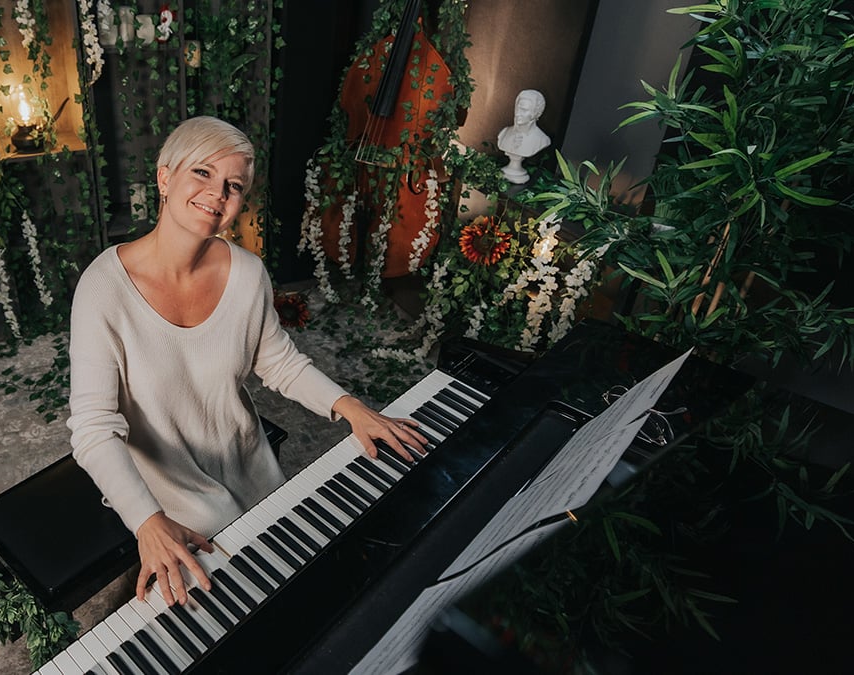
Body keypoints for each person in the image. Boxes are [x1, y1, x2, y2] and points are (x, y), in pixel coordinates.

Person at [66, 116, 428, 608]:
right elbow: (92, 428)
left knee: (316, 587)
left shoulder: (248, 274)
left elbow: (277, 362)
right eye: (202, 173)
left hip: (251, 463)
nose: (217, 194)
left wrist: (352, 408)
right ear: (165, 177)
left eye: (233, 185)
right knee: (239, 612)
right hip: (171, 492)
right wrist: (148, 523)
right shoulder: (103, 289)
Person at [497, 89, 551, 184]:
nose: (517, 114)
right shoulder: (504, 133)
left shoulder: (542, 140)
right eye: (517, 108)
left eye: (524, 110)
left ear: (536, 113)